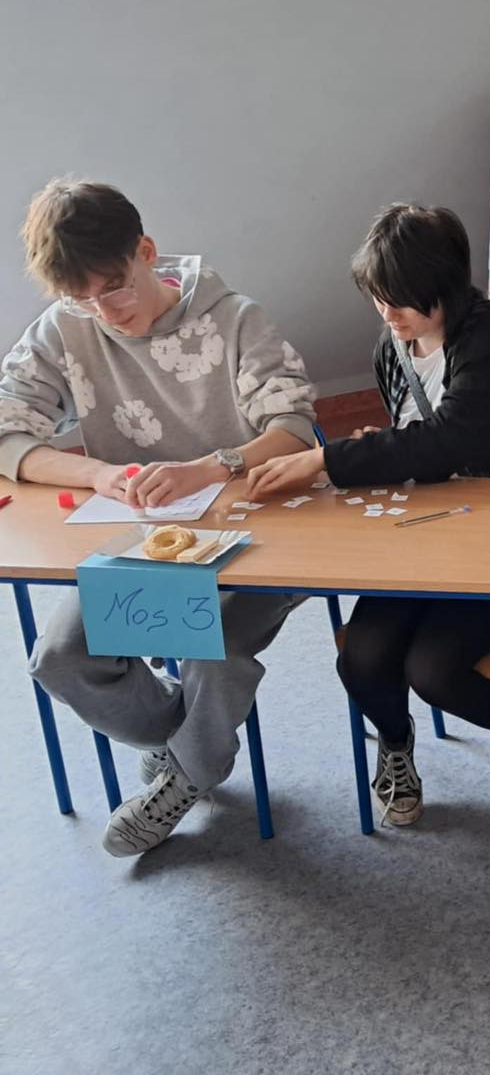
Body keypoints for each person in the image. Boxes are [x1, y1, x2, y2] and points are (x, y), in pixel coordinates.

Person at [0, 178, 317, 856]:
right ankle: (188, 743)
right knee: (59, 658)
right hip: (142, 544)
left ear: (146, 252)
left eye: (114, 288)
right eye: (81, 299)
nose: (105, 313)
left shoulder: (235, 319)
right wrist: (98, 475)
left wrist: (211, 467)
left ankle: (189, 774)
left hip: (260, 534)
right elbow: (6, 431)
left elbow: (294, 431)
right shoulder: (66, 326)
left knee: (213, 650)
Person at [246, 203, 490, 828]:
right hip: (428, 536)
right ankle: (395, 745)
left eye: (404, 301)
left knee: (436, 670)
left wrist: (327, 458)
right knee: (362, 658)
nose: (390, 315)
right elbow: (415, 435)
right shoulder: (392, 343)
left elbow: (450, 440)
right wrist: (381, 448)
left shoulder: (489, 336)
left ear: (446, 287)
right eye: (379, 299)